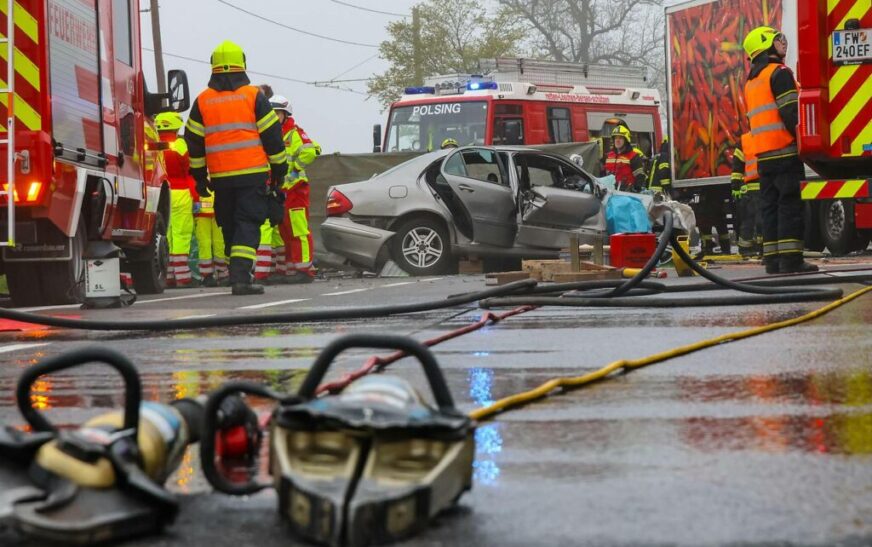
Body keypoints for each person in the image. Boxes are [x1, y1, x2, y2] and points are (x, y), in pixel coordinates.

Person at [185, 41, 288, 295]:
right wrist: (279, 172)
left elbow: (193, 143)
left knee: (229, 224)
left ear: (213, 66)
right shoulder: (254, 96)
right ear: (242, 63)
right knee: (248, 223)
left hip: (221, 178)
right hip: (252, 174)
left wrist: (200, 178)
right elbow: (272, 138)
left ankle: (237, 273)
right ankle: (241, 279)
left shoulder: (203, 101)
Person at [743, 26, 816, 273]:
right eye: (777, 40)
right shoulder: (780, 73)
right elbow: (790, 112)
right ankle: (792, 260)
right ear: (766, 46)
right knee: (790, 206)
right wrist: (804, 141)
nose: (782, 43)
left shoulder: (751, 81)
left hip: (764, 156)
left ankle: (773, 261)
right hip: (785, 150)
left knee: (771, 208)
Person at [271, 94, 322, 283]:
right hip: (281, 190)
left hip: (295, 190)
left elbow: (310, 151)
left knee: (298, 231)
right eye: (272, 113)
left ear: (285, 114)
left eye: (277, 113)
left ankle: (305, 270)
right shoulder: (272, 134)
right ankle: (289, 270)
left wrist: (296, 168)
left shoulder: (293, 132)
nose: (274, 117)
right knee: (283, 231)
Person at [155, 112, 196, 288]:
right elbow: (190, 170)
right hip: (181, 192)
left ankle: (168, 274)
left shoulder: (152, 143)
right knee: (182, 234)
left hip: (161, 193)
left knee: (166, 234)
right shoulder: (180, 144)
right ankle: (183, 276)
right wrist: (196, 195)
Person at [731, 132, 763, 258]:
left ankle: (745, 248)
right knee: (762, 219)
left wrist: (735, 185)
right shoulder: (766, 137)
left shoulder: (744, 140)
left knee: (749, 218)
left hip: (750, 187)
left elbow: (737, 165)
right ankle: (762, 247)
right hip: (764, 185)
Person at [193, 181, 229, 287]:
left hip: (211, 209)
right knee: (208, 243)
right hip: (208, 209)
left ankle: (216, 273)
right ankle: (213, 273)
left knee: (218, 243)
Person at [604, 125, 646, 192]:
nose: (617, 140)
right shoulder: (609, 156)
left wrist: (634, 189)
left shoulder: (633, 156)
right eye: (616, 138)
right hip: (609, 193)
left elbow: (640, 177)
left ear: (626, 140)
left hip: (626, 194)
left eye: (620, 138)